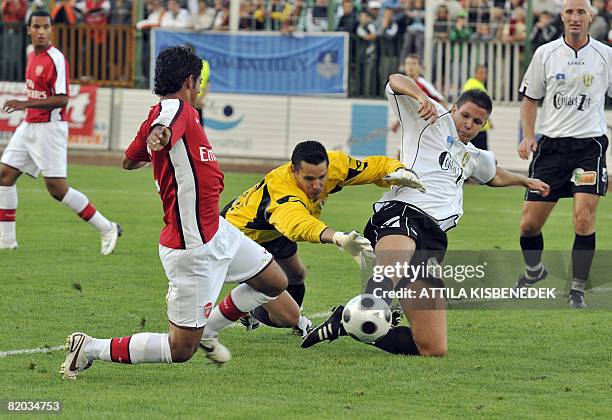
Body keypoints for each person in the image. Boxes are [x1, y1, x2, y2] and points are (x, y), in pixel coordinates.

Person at [59, 46, 289, 379]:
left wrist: (154, 143)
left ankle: (210, 328)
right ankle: (90, 347)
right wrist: (160, 133)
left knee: (274, 281)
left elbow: (128, 160)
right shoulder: (174, 108)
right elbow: (164, 123)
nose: (199, 89)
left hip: (218, 231)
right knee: (180, 349)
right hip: (191, 248)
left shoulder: (171, 113)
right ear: (189, 80)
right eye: (198, 83)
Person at [301, 75, 550, 356]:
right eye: (465, 115)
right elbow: (395, 80)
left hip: (433, 238)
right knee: (389, 273)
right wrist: (421, 98)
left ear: (484, 124)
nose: (469, 124)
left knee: (432, 347)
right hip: (403, 214)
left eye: (477, 121)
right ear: (454, 109)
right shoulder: (429, 119)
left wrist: (525, 181)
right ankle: (365, 311)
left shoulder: (472, 155)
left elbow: (493, 175)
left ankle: (346, 321)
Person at [224, 140, 425, 336]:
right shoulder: (282, 193)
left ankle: (250, 305)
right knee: (289, 318)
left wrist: (399, 170)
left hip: (270, 231)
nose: (317, 185)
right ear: (294, 172)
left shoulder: (335, 165)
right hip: (238, 237)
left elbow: (373, 167)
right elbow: (299, 225)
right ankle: (258, 296)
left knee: (297, 275)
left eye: (322, 177)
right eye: (309, 179)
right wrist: (339, 238)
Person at [0, 10, 121, 254]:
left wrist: (25, 104)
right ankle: (6, 241)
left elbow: (63, 99)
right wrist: (27, 109)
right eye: (36, 27)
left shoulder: (56, 59)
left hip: (50, 128)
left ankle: (106, 227)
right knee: (4, 176)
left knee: (56, 188)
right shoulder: (30, 54)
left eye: (46, 27)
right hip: (29, 125)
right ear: (29, 30)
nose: (41, 32)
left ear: (51, 30)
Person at [516, 0, 612, 309]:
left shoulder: (606, 56)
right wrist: (529, 136)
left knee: (583, 218)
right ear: (562, 16)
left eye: (580, 12)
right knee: (529, 225)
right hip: (551, 150)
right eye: (569, 12)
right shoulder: (545, 54)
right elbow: (530, 98)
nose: (574, 17)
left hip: (588, 148)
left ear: (590, 17)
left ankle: (577, 291)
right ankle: (534, 272)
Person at [391, 54, 449, 133]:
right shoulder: (401, 85)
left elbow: (442, 101)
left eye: (414, 64)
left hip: (427, 125)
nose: (410, 66)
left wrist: (445, 121)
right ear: (404, 66)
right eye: (408, 64)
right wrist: (397, 123)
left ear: (420, 67)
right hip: (413, 126)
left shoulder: (424, 84)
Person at [462, 64, 492, 150]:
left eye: (485, 73)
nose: (483, 75)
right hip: (477, 126)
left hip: (479, 125)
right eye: (481, 73)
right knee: (481, 153)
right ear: (475, 73)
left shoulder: (476, 84)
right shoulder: (473, 84)